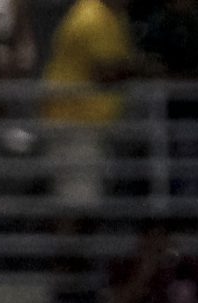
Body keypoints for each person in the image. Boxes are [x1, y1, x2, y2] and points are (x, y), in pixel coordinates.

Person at [39, 0, 137, 209]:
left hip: (90, 125)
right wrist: (142, 68)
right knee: (76, 203)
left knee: (87, 201)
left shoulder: (113, 16)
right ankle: (67, 241)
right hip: (74, 124)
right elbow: (107, 73)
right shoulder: (92, 16)